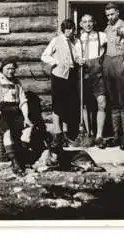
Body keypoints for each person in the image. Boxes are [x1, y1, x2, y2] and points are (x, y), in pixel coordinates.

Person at [41, 19, 82, 164]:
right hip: (59, 75)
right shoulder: (56, 40)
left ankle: (68, 135)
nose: (69, 31)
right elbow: (44, 55)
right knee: (58, 104)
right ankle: (58, 133)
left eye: (71, 29)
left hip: (70, 75)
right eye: (67, 29)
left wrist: (79, 60)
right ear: (63, 29)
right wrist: (55, 62)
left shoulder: (73, 42)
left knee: (69, 105)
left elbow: (74, 57)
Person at [102, 3, 124, 151]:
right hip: (108, 63)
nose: (110, 17)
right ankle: (116, 135)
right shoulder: (107, 28)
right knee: (114, 101)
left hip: (120, 61)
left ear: (117, 12)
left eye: (112, 14)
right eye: (108, 15)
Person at [78, 13, 107, 149]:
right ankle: (89, 133)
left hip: (98, 72)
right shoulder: (76, 38)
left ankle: (99, 136)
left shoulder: (102, 36)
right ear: (80, 24)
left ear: (94, 22)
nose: (88, 24)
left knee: (102, 102)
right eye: (85, 21)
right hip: (83, 72)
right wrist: (78, 60)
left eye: (90, 21)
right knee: (85, 105)